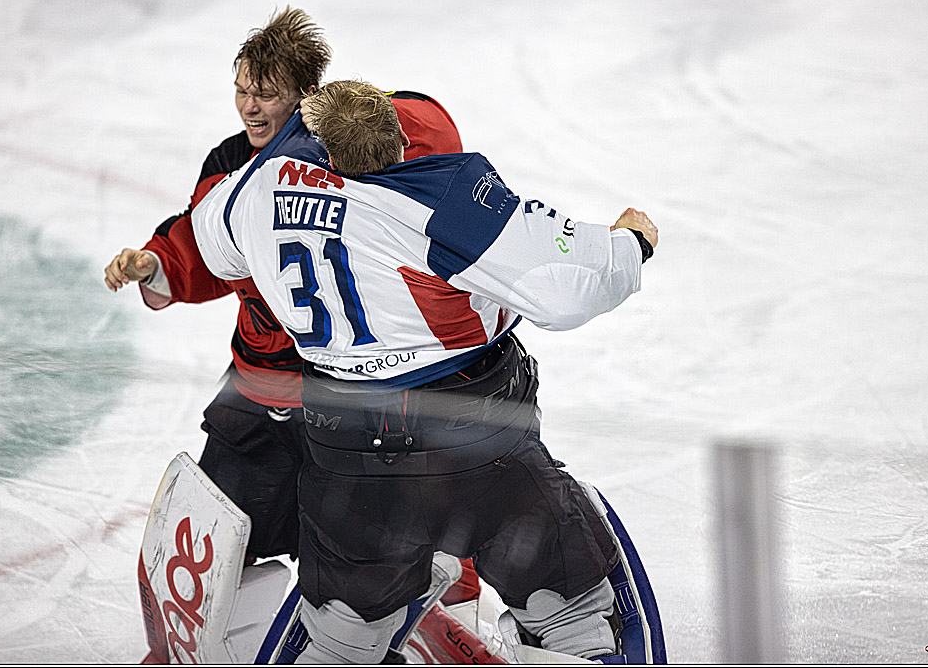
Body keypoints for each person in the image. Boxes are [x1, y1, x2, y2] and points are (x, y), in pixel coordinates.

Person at [189, 79, 659, 663]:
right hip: (473, 445)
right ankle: (572, 633)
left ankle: (349, 637)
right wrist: (629, 244)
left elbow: (214, 241)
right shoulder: (439, 200)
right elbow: (565, 291)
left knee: (342, 633)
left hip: (347, 458)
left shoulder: (261, 188)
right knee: (569, 604)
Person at [103, 8, 481, 603]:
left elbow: (427, 135)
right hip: (260, 389)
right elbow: (205, 248)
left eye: (266, 94)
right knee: (224, 525)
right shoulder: (227, 167)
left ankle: (424, 604)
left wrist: (364, 113)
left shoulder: (349, 153)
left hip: (353, 392)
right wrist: (156, 263)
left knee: (368, 539)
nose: (249, 107)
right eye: (242, 90)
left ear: (306, 96)